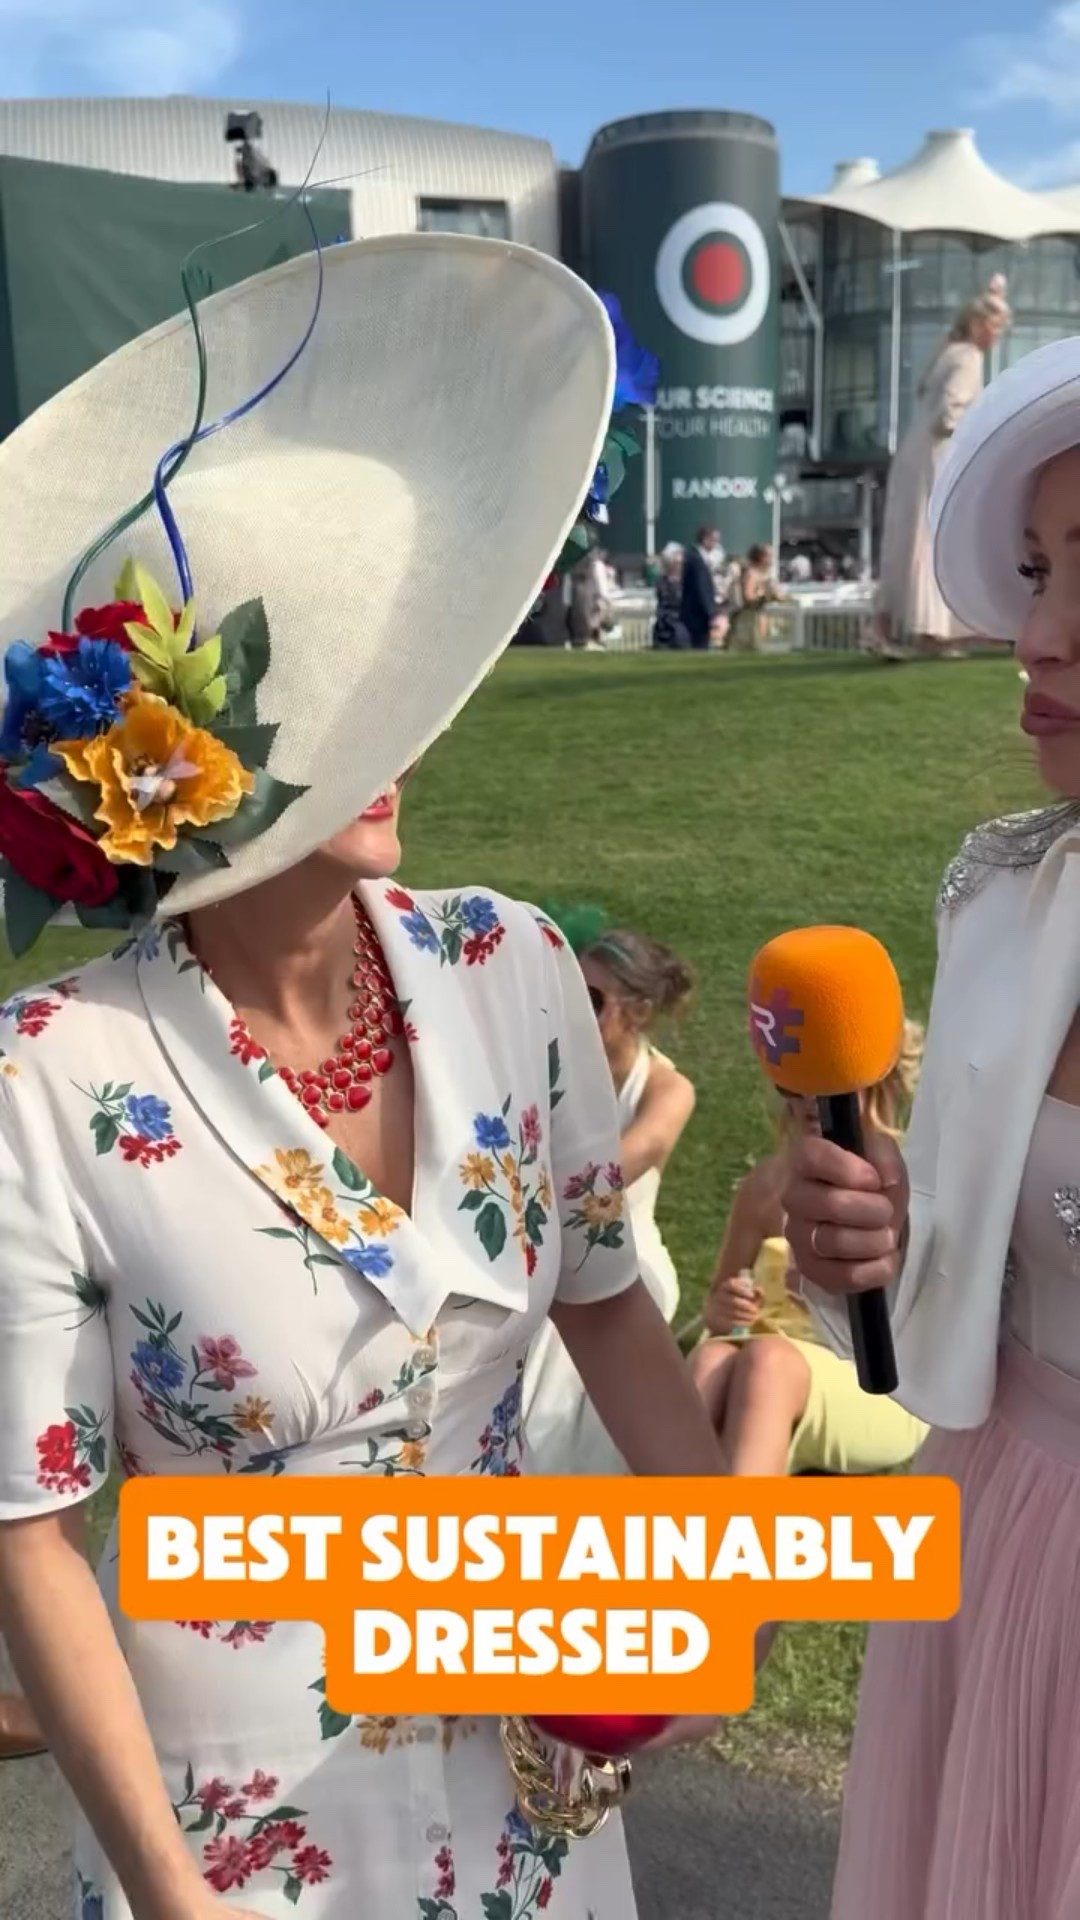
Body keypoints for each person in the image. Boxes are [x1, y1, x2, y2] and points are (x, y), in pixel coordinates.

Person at [0, 233, 723, 1920]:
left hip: (536, 1801)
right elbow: (27, 1530)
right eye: (328, 689)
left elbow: (606, 1304)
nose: (399, 724)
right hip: (229, 1847)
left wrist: (708, 1594)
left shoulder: (517, 969)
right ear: (176, 764)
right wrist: (175, 1902)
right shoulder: (50, 1077)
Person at [782, 333, 1080, 1918]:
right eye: (1033, 572)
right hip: (997, 1543)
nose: (1033, 636)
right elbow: (948, 1292)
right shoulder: (1006, 898)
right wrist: (866, 1246)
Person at [689, 1028, 928, 1476]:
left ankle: (735, 1542)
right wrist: (725, 1308)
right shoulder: (766, 1186)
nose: (807, 1101)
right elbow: (718, 1302)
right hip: (768, 1363)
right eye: (792, 1086)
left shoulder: (914, 1183)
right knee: (710, 1359)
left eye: (829, 1083)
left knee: (768, 1363)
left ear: (879, 1078)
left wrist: (837, 1300)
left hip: (879, 1381)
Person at [523, 912, 696, 1474]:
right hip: (547, 1257)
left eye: (593, 998)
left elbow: (625, 1160)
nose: (576, 1008)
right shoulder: (555, 1070)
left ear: (638, 1012)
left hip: (629, 1263)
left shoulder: (668, 1089)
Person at [870, 273, 1011, 663]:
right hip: (938, 452)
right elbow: (949, 414)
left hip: (914, 452)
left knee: (909, 538)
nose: (997, 336)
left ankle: (900, 627)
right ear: (980, 325)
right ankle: (931, 630)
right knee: (936, 535)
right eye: (996, 327)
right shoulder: (969, 357)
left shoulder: (946, 352)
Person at [728, 543, 784, 653]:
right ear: (760, 557)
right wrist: (766, 596)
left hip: (761, 616)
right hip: (750, 618)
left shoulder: (765, 574)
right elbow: (748, 597)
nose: (772, 559)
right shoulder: (752, 573)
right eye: (769, 555)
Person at [679, 524, 722, 650]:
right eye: (715, 540)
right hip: (696, 614)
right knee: (699, 646)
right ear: (705, 539)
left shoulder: (694, 557)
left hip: (694, 612)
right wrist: (711, 613)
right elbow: (701, 588)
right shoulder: (696, 559)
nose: (716, 544)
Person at [651, 543, 690, 649]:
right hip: (668, 624)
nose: (680, 563)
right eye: (677, 561)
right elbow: (667, 601)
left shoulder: (687, 580)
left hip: (684, 623)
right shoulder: (662, 581)